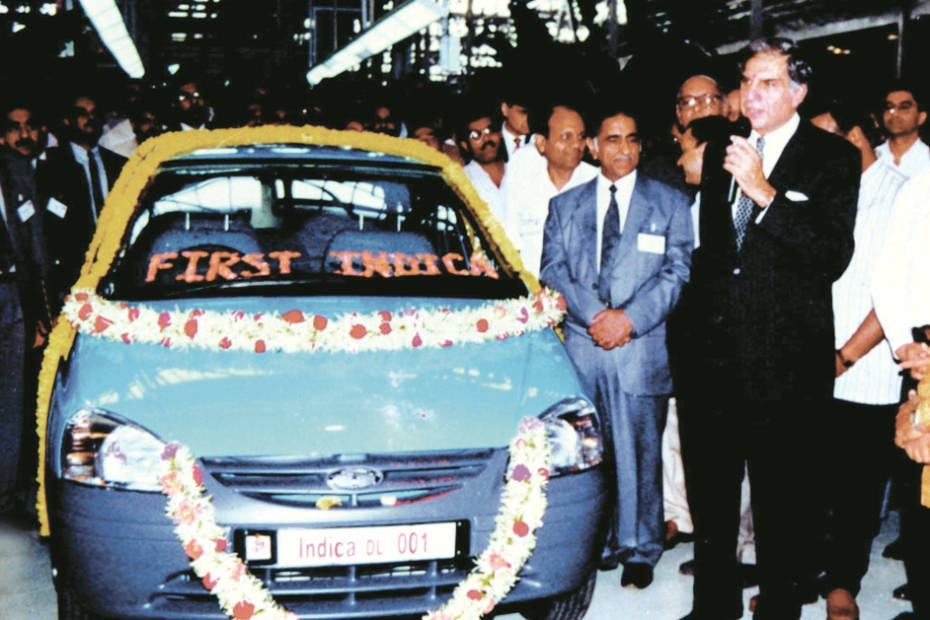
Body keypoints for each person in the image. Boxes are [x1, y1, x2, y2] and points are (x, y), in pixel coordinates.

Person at [675, 37, 859, 620]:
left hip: (784, 366)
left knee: (782, 508)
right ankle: (714, 610)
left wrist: (764, 192)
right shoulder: (721, 149)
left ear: (798, 91)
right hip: (712, 362)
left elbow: (829, 255)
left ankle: (779, 608)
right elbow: (715, 255)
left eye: (768, 82)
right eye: (747, 81)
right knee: (712, 505)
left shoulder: (832, 157)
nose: (751, 94)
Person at [540, 103, 692, 590]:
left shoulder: (670, 203)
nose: (622, 149)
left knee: (642, 454)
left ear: (641, 145)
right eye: (612, 139)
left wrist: (628, 320)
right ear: (593, 146)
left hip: (640, 346)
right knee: (589, 453)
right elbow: (553, 271)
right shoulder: (565, 206)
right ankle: (598, 542)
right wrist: (595, 318)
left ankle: (641, 547)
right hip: (583, 347)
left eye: (631, 139)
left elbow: (677, 271)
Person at [809, 102, 910, 619]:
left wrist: (845, 356)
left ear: (855, 136)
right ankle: (807, 575)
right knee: (813, 481)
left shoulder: (901, 195)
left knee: (857, 490)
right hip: (814, 368)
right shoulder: (827, 194)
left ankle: (843, 584)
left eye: (827, 139)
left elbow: (897, 295)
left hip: (865, 370)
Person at [874, 166, 930, 620]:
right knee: (920, 482)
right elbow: (888, 274)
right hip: (923, 357)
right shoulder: (919, 187)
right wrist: (903, 341)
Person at [37, 95, 128, 305]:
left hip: (119, 271)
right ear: (67, 120)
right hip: (71, 279)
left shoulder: (121, 165)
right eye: (82, 114)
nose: (90, 118)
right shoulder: (49, 169)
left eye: (94, 113)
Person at [501, 101, 597, 277]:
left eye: (581, 136)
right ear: (541, 143)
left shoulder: (597, 183)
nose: (577, 145)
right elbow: (511, 244)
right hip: (532, 292)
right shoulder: (524, 183)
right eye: (566, 137)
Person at [458, 106, 507, 226]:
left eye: (490, 131)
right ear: (465, 145)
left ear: (500, 134)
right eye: (476, 135)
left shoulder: (519, 169)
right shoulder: (462, 181)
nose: (486, 139)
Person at [876, 82, 930, 178]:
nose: (894, 114)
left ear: (921, 117)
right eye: (889, 107)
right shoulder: (872, 156)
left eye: (904, 107)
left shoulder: (926, 157)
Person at [500, 93, 531, 160]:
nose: (530, 118)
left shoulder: (542, 140)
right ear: (505, 109)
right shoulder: (489, 138)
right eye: (523, 112)